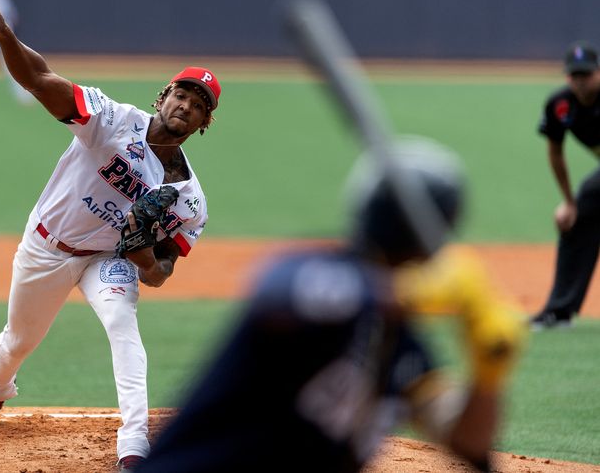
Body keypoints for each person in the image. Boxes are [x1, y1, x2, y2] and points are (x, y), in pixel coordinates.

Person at [137, 138, 524, 473]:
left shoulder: (396, 342)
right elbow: (280, 295)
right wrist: (406, 291)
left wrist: (489, 372)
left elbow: (467, 439)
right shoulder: (312, 272)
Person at [0, 0, 222, 473]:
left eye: (199, 104)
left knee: (123, 326)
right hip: (47, 247)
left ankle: (134, 445)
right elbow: (39, 79)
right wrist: (3, 32)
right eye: (182, 94)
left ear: (204, 123)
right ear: (162, 97)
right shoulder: (112, 120)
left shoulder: (189, 201)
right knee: (19, 340)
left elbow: (160, 273)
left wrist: (141, 250)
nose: (187, 105)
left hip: (107, 258)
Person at [531, 41, 600, 330]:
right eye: (575, 75)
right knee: (577, 217)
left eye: (587, 74)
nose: (581, 82)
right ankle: (560, 311)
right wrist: (569, 202)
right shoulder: (560, 105)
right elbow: (555, 152)